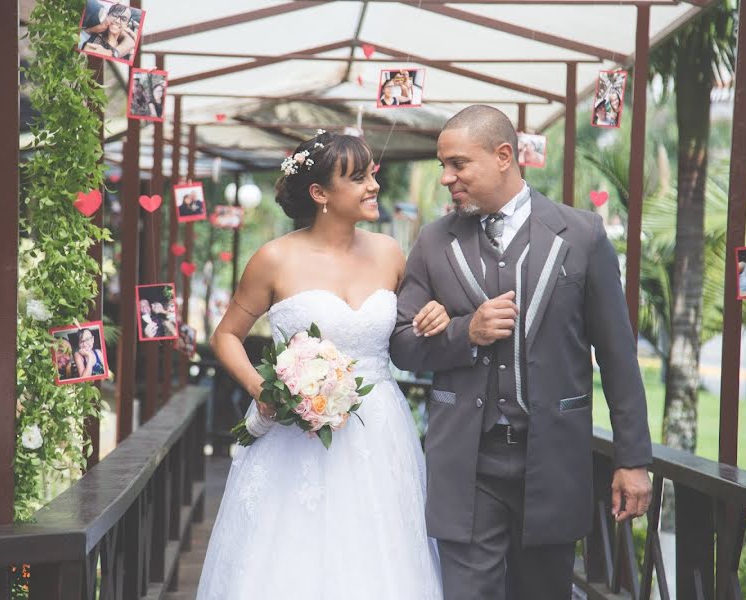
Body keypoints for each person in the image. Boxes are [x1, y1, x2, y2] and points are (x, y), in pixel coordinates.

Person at [389, 105, 653, 600]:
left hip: (553, 460)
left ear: (504, 156)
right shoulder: (433, 241)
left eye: (458, 164)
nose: (446, 177)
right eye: (443, 165)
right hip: (466, 463)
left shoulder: (582, 235)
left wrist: (633, 459)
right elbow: (402, 345)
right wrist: (467, 331)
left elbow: (618, 357)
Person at [195, 130, 449, 599]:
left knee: (381, 554)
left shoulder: (391, 253)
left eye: (372, 173)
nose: (373, 185)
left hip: (381, 431)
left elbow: (411, 331)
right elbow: (225, 335)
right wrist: (263, 391)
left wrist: (437, 315)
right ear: (320, 194)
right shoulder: (274, 259)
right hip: (297, 437)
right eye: (358, 178)